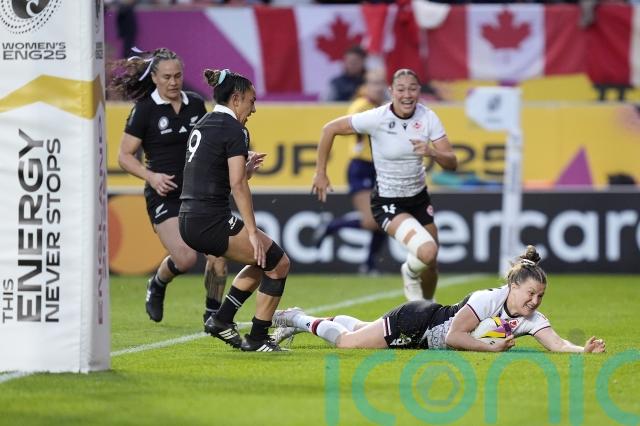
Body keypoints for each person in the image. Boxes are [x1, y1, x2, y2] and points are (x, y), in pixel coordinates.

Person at [271, 246, 607, 354]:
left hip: (422, 337)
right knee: (349, 343)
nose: (535, 301)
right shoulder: (487, 299)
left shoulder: (530, 319)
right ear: (513, 286)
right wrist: (490, 348)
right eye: (531, 293)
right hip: (416, 321)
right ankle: (296, 318)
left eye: (540, 296)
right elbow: (453, 336)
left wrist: (582, 350)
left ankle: (300, 321)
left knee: (360, 329)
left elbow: (557, 344)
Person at [312, 68, 457, 302]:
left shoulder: (428, 117)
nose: (407, 95)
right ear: (392, 92)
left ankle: (428, 310)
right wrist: (320, 172)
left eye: (412, 89)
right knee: (427, 251)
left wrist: (432, 152)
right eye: (401, 89)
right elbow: (330, 129)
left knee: (431, 263)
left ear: (419, 91)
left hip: (419, 198)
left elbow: (452, 162)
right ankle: (408, 272)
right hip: (388, 201)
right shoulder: (376, 116)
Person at [111, 48, 228, 325]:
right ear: (154, 77)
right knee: (185, 259)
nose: (173, 82)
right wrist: (151, 177)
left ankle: (213, 316)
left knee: (218, 257)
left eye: (177, 76)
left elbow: (208, 143)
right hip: (164, 194)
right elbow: (124, 156)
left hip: (199, 193)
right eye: (166, 77)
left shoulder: (196, 104)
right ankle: (158, 283)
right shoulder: (145, 110)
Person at [179, 68, 291, 352]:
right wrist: (252, 231)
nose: (254, 109)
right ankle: (256, 338)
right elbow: (238, 185)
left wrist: (246, 169)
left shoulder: (204, 123)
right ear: (237, 98)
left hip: (190, 217)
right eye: (252, 101)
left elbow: (220, 176)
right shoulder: (234, 129)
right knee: (278, 263)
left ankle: (222, 319)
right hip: (209, 219)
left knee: (264, 260)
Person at [314, 68, 389, 274]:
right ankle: (332, 226)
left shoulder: (383, 107)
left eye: (381, 83)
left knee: (384, 219)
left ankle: (369, 265)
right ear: (364, 87)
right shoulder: (361, 106)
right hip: (362, 167)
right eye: (373, 83)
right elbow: (356, 128)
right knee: (372, 220)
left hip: (380, 169)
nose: (378, 88)